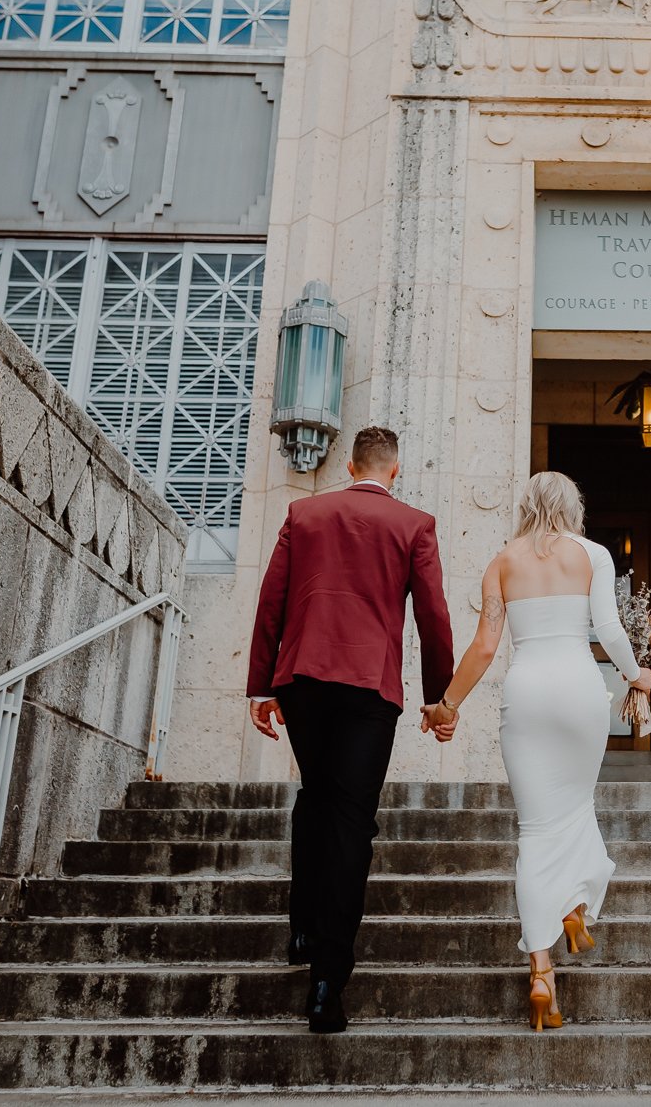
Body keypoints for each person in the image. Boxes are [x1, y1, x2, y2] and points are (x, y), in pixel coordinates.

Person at [417, 471, 651, 1031]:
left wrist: (447, 704)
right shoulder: (593, 555)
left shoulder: (502, 561)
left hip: (525, 697)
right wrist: (635, 673)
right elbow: (608, 629)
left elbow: (485, 644)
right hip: (579, 693)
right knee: (573, 809)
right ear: (574, 507)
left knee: (536, 829)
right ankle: (573, 907)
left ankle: (541, 969)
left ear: (524, 506)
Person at [246, 426, 454, 1034]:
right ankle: (326, 984)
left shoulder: (305, 513)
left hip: (303, 678)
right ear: (394, 469)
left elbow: (271, 602)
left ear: (351, 463)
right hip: (368, 688)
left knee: (316, 795)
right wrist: (440, 699)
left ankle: (303, 927)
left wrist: (262, 686)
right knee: (350, 819)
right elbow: (434, 615)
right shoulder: (413, 524)